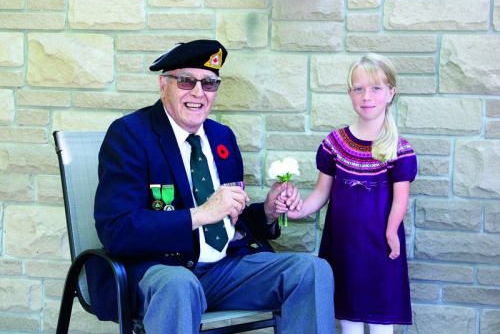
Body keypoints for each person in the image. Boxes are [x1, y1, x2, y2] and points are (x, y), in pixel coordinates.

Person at [89, 39, 335, 334]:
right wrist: (201, 213)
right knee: (179, 285)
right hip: (162, 272)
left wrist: (267, 212)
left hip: (225, 269)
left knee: (312, 271)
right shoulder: (130, 135)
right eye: (185, 81)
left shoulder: (221, 137)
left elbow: (230, 219)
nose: (198, 92)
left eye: (209, 83)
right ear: (163, 85)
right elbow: (117, 230)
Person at [285, 53, 417, 334]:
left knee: (381, 323)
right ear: (350, 93)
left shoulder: (399, 150)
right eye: (359, 89)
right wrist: (299, 210)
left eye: (375, 88)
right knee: (348, 321)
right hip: (343, 246)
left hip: (381, 247)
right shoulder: (334, 144)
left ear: (391, 93)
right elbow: (322, 192)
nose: (366, 96)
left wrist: (392, 232)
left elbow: (400, 199)